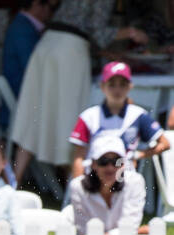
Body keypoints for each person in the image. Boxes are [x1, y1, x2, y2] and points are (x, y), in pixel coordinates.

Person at [11, 1, 149, 185]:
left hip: (46, 46)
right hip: (69, 52)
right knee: (70, 119)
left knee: (33, 114)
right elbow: (96, 31)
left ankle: (12, 184)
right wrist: (132, 32)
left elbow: (79, 26)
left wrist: (103, 53)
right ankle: (79, 188)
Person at [69, 62, 169, 181]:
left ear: (130, 86)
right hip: (94, 179)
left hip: (125, 178)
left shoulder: (138, 115)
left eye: (122, 85)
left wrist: (138, 155)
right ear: (102, 86)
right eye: (112, 85)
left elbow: (165, 143)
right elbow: (79, 157)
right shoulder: (88, 116)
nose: (117, 90)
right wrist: (78, 186)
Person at [1, 0, 52, 129]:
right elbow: (32, 68)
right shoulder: (23, 29)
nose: (51, 12)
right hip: (23, 96)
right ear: (36, 4)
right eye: (50, 6)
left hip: (22, 92)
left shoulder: (23, 25)